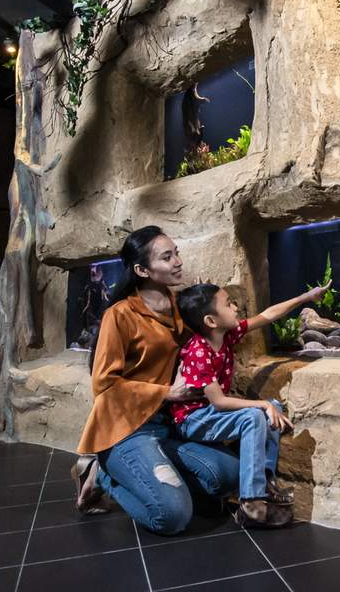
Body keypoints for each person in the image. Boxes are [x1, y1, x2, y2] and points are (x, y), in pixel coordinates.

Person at [71, 226, 240, 535]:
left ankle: (153, 472)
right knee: (172, 515)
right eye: (167, 257)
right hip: (127, 429)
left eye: (176, 253)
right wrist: (167, 393)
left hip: (170, 427)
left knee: (230, 475)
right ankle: (105, 475)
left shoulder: (182, 307)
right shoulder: (120, 315)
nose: (177, 262)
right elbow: (104, 383)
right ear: (141, 269)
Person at [173, 281, 328, 527]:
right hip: (193, 420)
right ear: (211, 321)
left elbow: (267, 315)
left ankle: (264, 480)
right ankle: (251, 503)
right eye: (227, 304)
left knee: (272, 404)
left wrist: (305, 297)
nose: (235, 307)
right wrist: (262, 405)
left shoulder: (227, 335)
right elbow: (220, 402)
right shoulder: (198, 352)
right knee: (256, 414)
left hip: (210, 413)